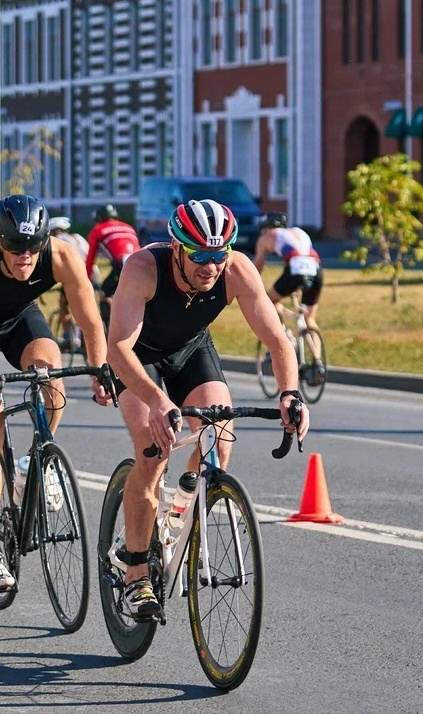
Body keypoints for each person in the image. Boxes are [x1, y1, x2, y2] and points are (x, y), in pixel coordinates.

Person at [106, 199, 309, 619]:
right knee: (153, 448)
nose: (210, 266)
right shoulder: (143, 268)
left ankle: (181, 502)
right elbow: (118, 349)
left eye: (219, 254)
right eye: (200, 255)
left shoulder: (236, 269)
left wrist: (290, 393)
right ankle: (136, 574)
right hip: (139, 359)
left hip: (190, 349)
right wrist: (159, 401)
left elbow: (276, 340)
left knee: (220, 433)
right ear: (177, 247)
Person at [0, 193, 112, 592]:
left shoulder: (61, 256)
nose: (25, 256)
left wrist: (100, 370)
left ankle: (32, 463)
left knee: (50, 379)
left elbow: (91, 324)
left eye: (33, 246)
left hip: (20, 321)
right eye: (15, 247)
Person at [252, 212, 325, 375]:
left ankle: (283, 336)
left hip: (295, 269)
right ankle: (317, 362)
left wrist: (252, 287)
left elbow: (256, 268)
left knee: (270, 301)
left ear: (267, 228)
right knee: (310, 318)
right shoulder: (299, 232)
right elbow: (303, 256)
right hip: (316, 269)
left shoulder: (267, 237)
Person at [85, 204, 140, 326]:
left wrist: (86, 279)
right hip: (140, 264)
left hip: (122, 265)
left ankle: (109, 328)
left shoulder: (98, 230)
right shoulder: (129, 227)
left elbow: (90, 259)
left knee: (104, 293)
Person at [45, 216, 95, 353]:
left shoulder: (57, 241)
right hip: (92, 274)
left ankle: (72, 338)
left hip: (75, 276)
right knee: (84, 307)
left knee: (64, 305)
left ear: (54, 231)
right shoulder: (78, 237)